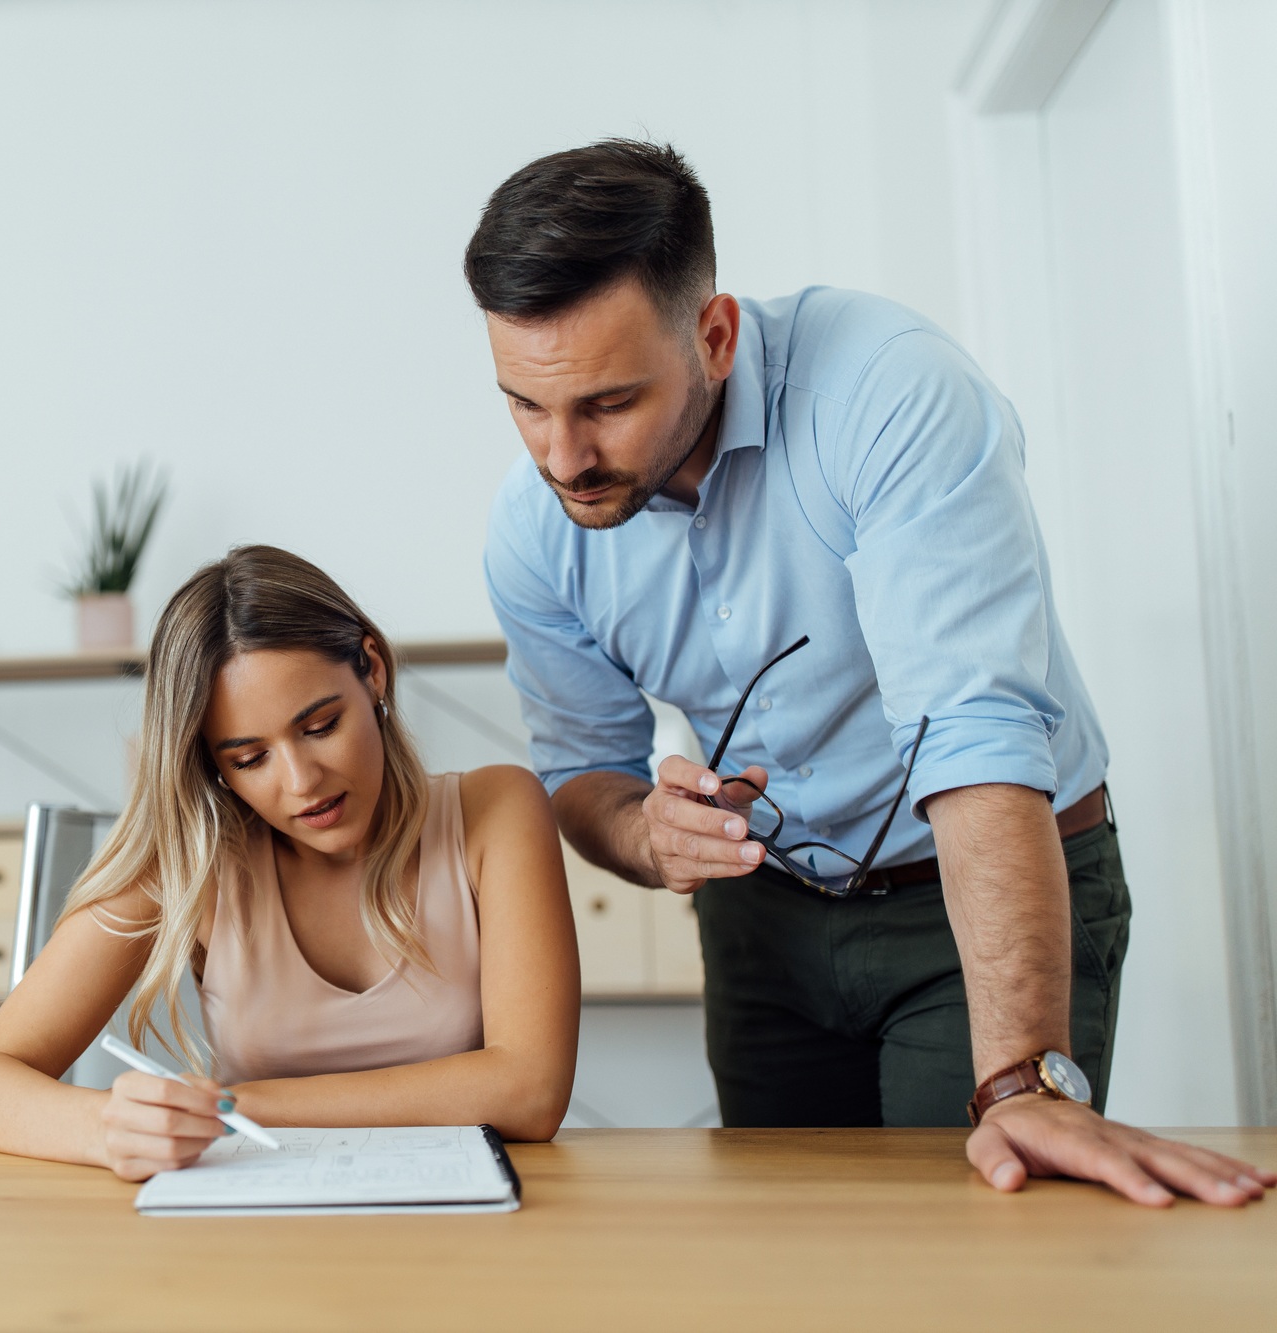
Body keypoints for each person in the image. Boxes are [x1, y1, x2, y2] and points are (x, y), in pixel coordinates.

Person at [470, 139, 1273, 1206]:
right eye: (525, 403)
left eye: (607, 404)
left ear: (713, 336)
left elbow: (972, 731)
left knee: (983, 1245)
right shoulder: (533, 532)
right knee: (801, 1259)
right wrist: (643, 836)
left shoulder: (886, 390)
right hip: (765, 918)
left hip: (974, 891)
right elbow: (582, 770)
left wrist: (1022, 1078)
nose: (560, 456)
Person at [0, 545, 580, 1180]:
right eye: (249, 759)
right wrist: (107, 1129)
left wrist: (231, 1106)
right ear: (214, 766)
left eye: (321, 725)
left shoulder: (497, 811)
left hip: (472, 1234)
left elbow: (530, 1092)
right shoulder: (195, 862)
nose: (303, 781)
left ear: (373, 669)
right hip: (258, 1239)